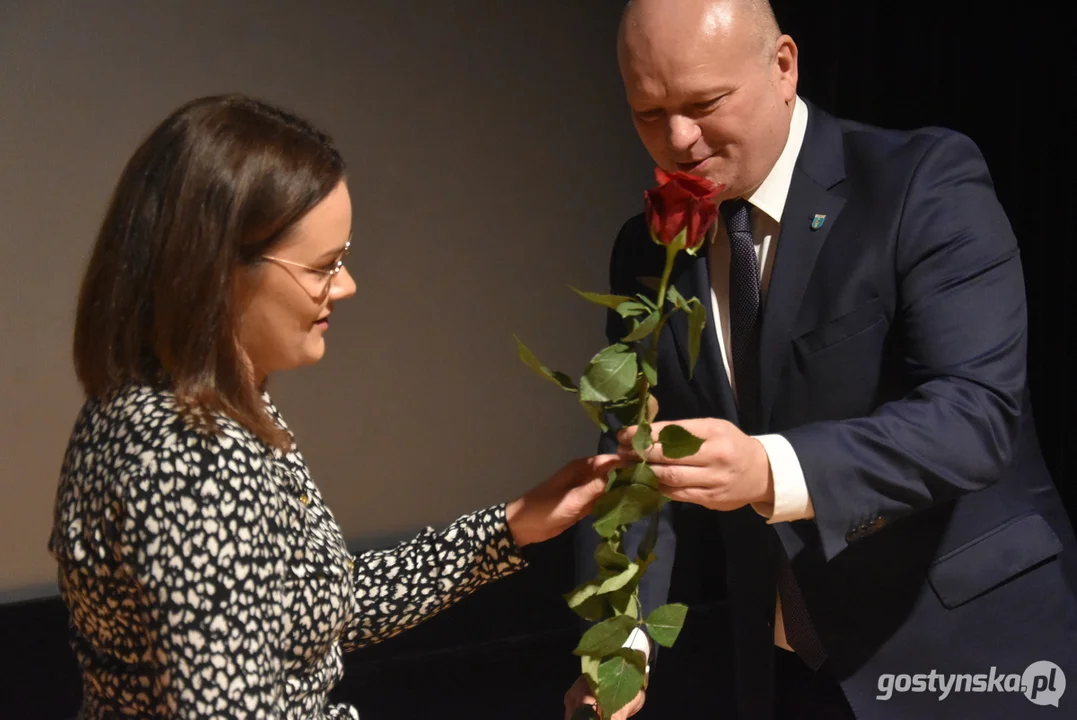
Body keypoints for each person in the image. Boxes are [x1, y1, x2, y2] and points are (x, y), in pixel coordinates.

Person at [564, 0, 1077, 718]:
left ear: (782, 67)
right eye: (647, 113)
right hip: (782, 664)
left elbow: (974, 416)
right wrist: (619, 646)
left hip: (961, 646)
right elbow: (634, 461)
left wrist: (767, 467)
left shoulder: (920, 183)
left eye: (704, 103)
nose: (677, 140)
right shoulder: (646, 247)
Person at [48, 93, 621, 720]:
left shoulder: (182, 406)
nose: (344, 286)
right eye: (324, 266)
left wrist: (511, 526)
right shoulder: (192, 461)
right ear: (219, 271)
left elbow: (315, 606)